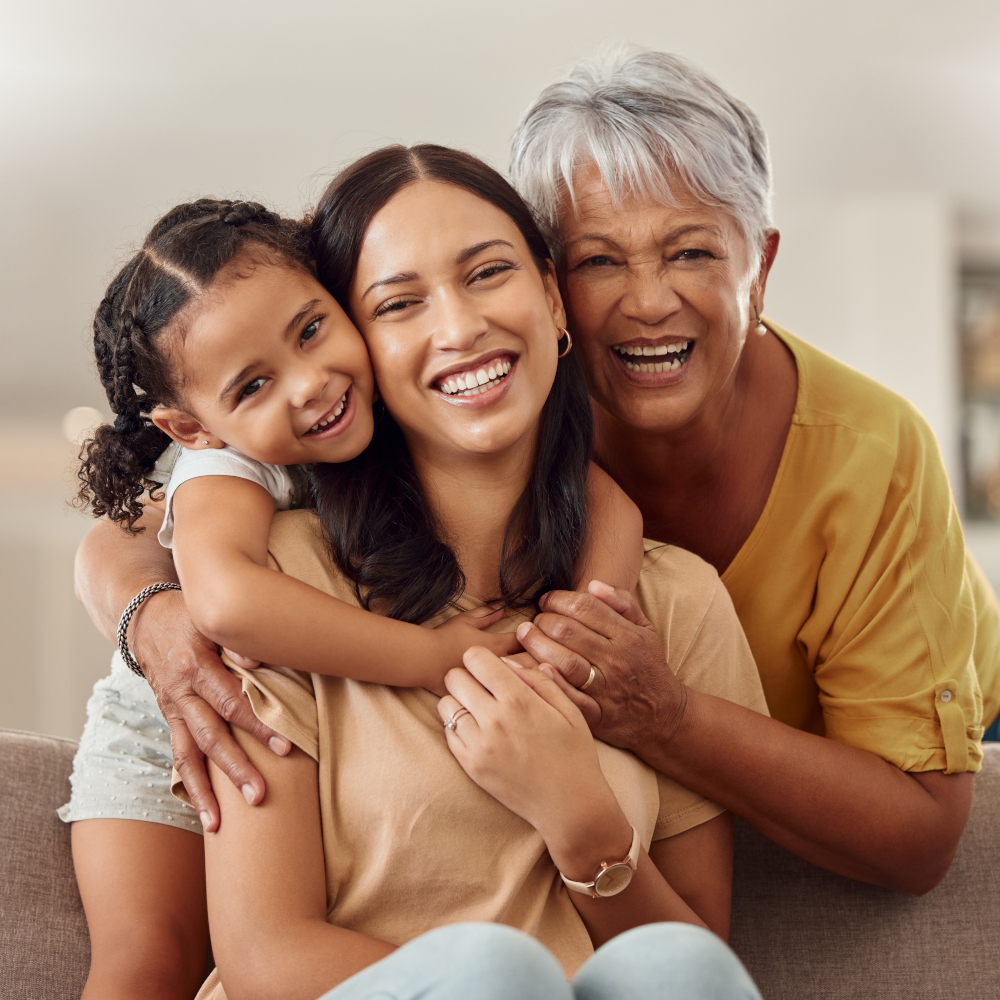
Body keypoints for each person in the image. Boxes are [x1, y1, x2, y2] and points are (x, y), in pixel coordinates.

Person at [186, 142, 764, 999]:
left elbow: (695, 960)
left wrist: (580, 821)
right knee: (492, 972)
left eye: (487, 274)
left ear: (551, 298)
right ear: (360, 352)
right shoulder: (285, 584)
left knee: (681, 965)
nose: (458, 329)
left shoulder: (674, 599)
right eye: (399, 304)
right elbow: (264, 958)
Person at [62, 197, 641, 999]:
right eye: (256, 384)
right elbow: (227, 604)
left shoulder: (404, 397)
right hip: (178, 706)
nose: (310, 385)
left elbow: (598, 494)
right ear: (192, 427)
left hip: (282, 683)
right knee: (145, 961)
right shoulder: (224, 470)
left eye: (310, 330)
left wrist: (582, 633)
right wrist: (434, 656)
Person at [501, 45, 1000, 894]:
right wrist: (185, 593)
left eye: (690, 253)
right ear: (548, 289)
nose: (649, 300)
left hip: (936, 724)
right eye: (597, 260)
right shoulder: (501, 421)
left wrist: (665, 717)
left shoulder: (874, 449)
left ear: (759, 268)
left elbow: (919, 839)